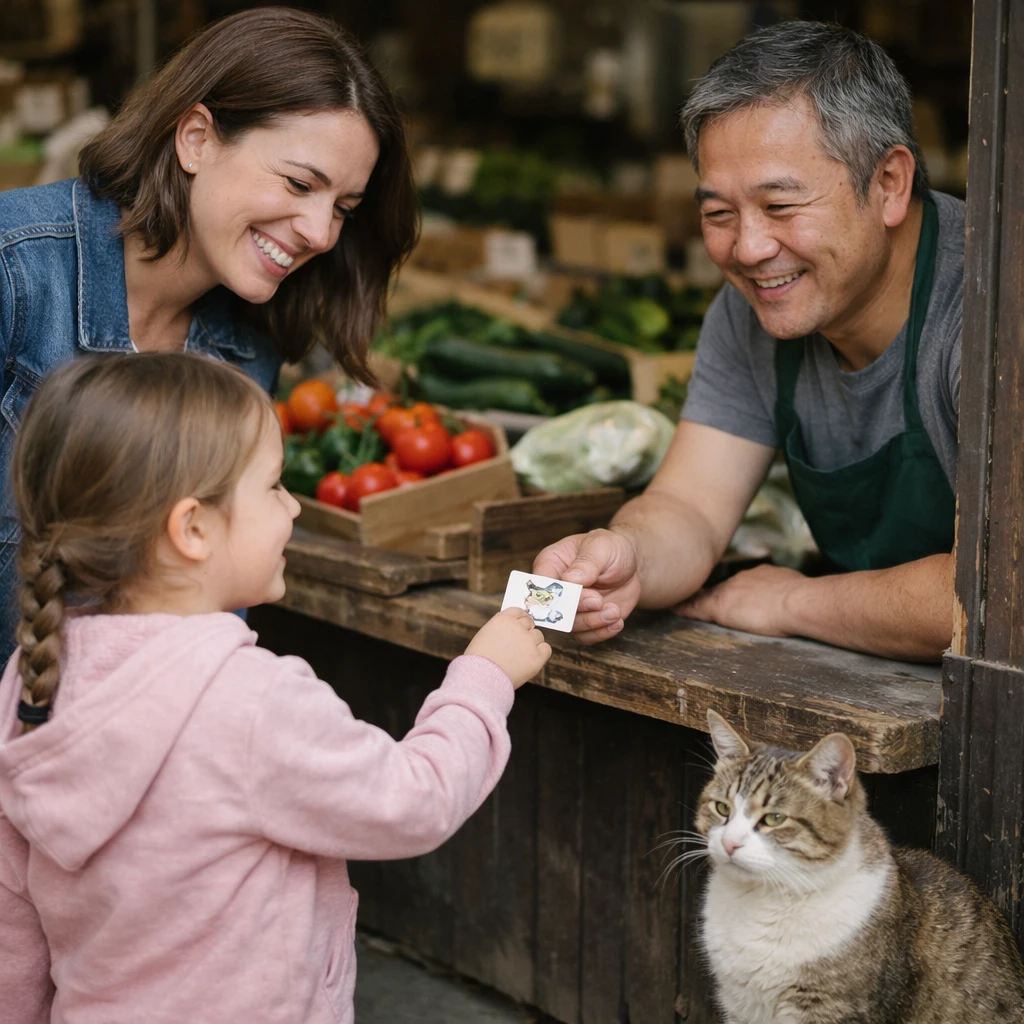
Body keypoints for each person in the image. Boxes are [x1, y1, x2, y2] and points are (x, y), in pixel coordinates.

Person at [0, 352, 551, 1024]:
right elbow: (415, 799)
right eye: (273, 487)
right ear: (193, 528)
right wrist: (484, 676)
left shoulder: (32, 676)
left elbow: (13, 924)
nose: (293, 505)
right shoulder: (250, 701)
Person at [0, 6, 418, 662]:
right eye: (299, 182)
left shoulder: (245, 351)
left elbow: (208, 616)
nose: (321, 233)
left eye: (342, 207)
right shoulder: (14, 270)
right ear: (195, 138)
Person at [535, 21, 961, 662]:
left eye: (781, 207)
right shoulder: (750, 314)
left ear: (889, 184)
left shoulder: (992, 315)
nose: (749, 249)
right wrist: (627, 556)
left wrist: (793, 602)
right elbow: (691, 508)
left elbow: (995, 593)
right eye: (718, 214)